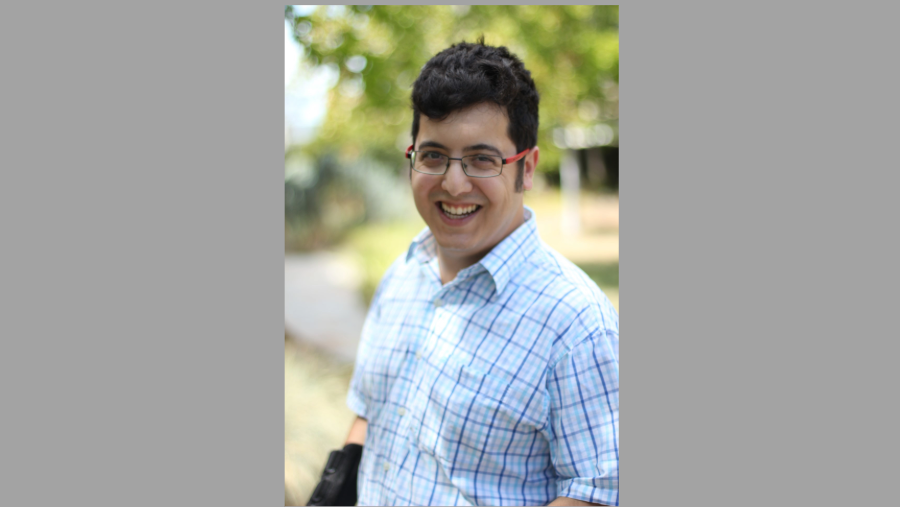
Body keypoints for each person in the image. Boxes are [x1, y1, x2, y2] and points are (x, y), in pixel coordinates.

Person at [310, 39, 619, 506]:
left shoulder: (577, 325)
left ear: (526, 168)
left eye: (482, 159)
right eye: (434, 155)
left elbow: (597, 492)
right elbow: (371, 414)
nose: (454, 184)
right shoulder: (401, 277)